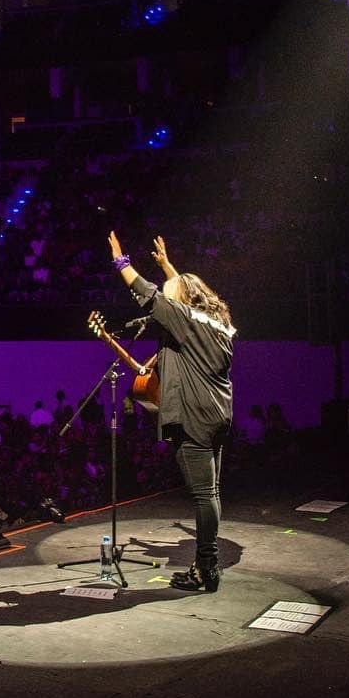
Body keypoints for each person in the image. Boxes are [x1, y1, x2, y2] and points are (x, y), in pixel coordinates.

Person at [108, 231, 234, 593]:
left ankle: (207, 569)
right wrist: (167, 266)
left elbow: (148, 293)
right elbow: (181, 297)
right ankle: (204, 565)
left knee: (203, 496)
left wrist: (121, 262)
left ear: (181, 302)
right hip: (217, 415)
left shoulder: (184, 320)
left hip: (193, 418)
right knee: (211, 492)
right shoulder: (217, 325)